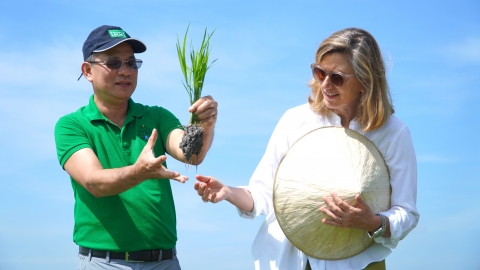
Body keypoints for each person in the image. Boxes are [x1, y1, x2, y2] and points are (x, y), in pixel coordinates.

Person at [194, 28, 419, 270]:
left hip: (359, 264)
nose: (325, 83)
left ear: (365, 81)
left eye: (337, 77)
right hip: (286, 261)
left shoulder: (393, 133)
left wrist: (374, 222)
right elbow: (265, 194)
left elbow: (406, 212)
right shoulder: (295, 120)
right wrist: (228, 193)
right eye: (320, 72)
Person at [54, 25, 218, 270]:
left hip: (165, 261)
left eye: (131, 63)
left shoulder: (156, 116)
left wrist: (206, 124)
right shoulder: (72, 125)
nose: (125, 71)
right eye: (113, 63)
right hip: (104, 263)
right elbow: (93, 182)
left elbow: (190, 154)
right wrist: (138, 172)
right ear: (87, 71)